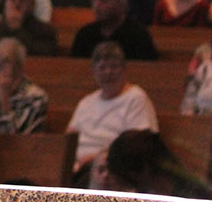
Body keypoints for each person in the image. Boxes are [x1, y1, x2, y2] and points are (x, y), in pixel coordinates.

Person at [66, 42, 158, 178]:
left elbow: (138, 145)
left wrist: (92, 159)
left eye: (114, 67)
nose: (108, 72)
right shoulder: (86, 102)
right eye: (102, 68)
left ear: (124, 69)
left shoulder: (135, 98)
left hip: (112, 169)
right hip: (77, 168)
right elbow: (69, 137)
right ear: (93, 71)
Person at [69, 0, 159, 60]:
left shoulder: (138, 36)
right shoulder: (85, 35)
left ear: (121, 3)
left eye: (104, 0)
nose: (97, 5)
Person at [0, 37, 48, 134]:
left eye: (6, 61)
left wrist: (4, 98)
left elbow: (14, 139)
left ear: (20, 63)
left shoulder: (36, 98)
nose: (1, 67)